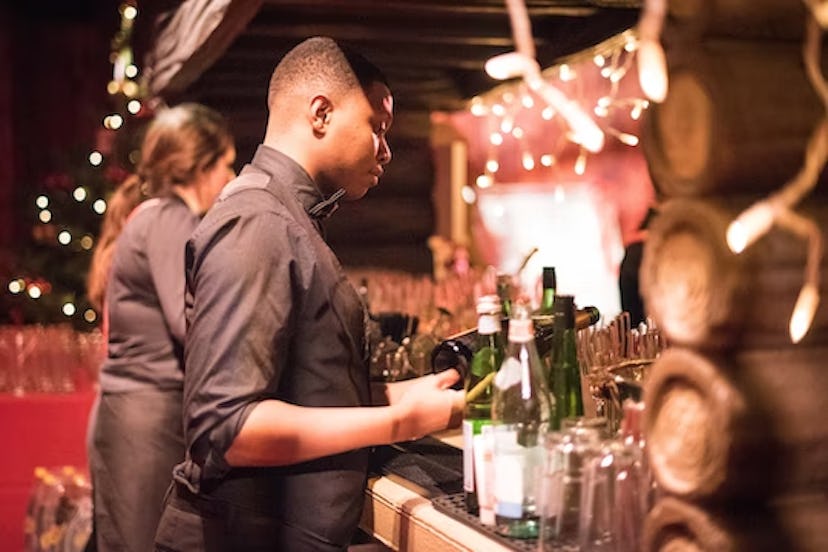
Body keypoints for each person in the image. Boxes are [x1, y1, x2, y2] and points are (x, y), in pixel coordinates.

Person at [153, 37, 464, 551]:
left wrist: (411, 394)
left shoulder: (286, 217)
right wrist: (397, 420)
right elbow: (229, 429)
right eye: (377, 128)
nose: (385, 150)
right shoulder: (257, 222)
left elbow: (299, 392)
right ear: (321, 113)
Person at [86, 103, 236, 552]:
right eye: (226, 165)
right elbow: (191, 324)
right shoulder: (171, 218)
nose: (230, 178)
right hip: (144, 419)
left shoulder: (156, 216)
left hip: (141, 416)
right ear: (199, 165)